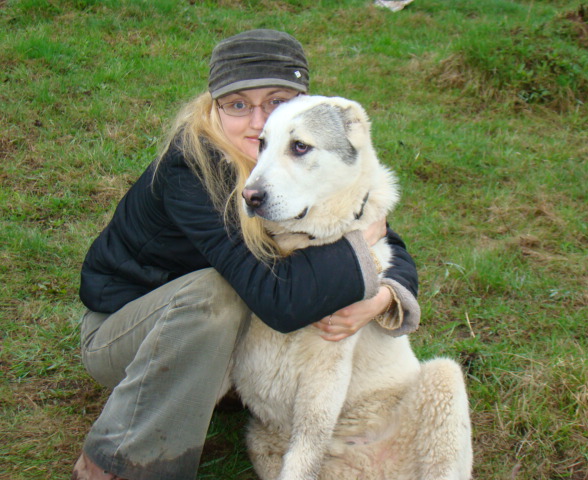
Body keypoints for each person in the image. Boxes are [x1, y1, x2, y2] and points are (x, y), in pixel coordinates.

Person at [72, 29, 420, 480]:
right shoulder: (191, 171)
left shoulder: (297, 155)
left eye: (276, 102)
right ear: (214, 106)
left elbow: (379, 233)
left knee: (248, 289)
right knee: (219, 291)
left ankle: (227, 387)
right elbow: (280, 302)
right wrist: (363, 251)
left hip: (211, 337)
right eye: (238, 104)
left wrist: (384, 296)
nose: (258, 122)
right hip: (127, 332)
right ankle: (119, 461)